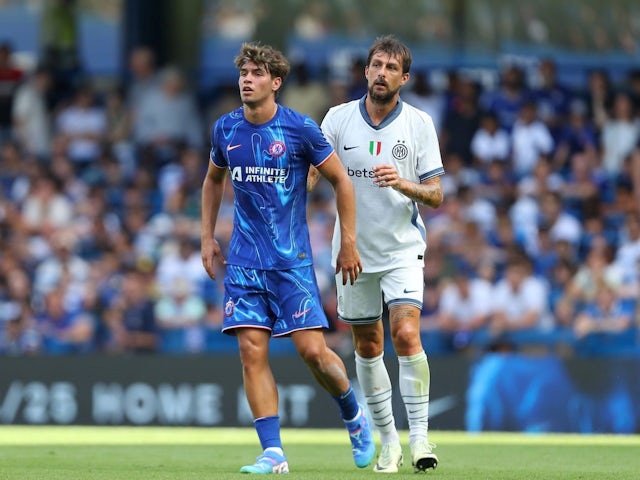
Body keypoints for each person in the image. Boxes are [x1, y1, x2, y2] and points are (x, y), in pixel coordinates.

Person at [200, 42, 374, 474]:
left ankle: (353, 415)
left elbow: (342, 182)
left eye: (257, 73)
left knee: (313, 352)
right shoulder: (225, 129)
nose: (246, 79)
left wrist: (347, 241)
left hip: (291, 261)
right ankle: (273, 451)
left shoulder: (299, 129)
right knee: (250, 351)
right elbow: (212, 180)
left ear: (275, 83)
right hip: (243, 262)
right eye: (243, 72)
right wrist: (206, 237)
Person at [316, 35, 444, 473]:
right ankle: (388, 440)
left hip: (402, 250)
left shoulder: (419, 124)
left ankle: (422, 439)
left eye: (391, 67)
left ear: (404, 78)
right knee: (368, 344)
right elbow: (313, 175)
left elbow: (437, 195)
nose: (382, 73)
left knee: (406, 334)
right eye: (376, 65)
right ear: (366, 71)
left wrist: (402, 183)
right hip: (350, 252)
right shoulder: (336, 119)